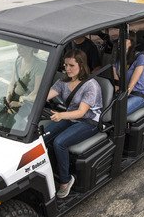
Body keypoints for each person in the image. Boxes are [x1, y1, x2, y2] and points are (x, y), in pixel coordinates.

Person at [44, 49, 103, 199]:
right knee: (43, 138)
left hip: (89, 121)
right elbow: (46, 95)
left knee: (59, 142)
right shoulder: (63, 82)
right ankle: (50, 172)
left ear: (81, 65)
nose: (67, 69)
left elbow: (81, 112)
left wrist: (61, 115)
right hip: (70, 118)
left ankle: (65, 180)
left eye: (71, 65)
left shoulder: (91, 85)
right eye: (65, 65)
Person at [113, 31, 144, 115]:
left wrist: (121, 99)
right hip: (122, 93)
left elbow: (132, 84)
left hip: (137, 94)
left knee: (119, 111)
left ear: (131, 42)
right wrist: (116, 96)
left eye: (124, 39)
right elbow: (116, 82)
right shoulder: (117, 59)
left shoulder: (139, 58)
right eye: (120, 39)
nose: (120, 41)